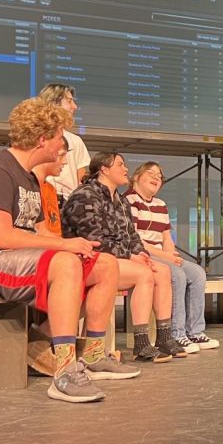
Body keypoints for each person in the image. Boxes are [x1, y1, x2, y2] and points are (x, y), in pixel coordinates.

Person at [0, 99, 136, 403]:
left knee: (104, 264)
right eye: (59, 136)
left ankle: (92, 356)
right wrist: (65, 246)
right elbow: (3, 237)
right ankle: (63, 372)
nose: (63, 145)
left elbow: (39, 232)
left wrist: (78, 247)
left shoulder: (29, 178)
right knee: (65, 262)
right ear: (43, 139)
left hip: (14, 259)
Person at [63, 151, 184, 363]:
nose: (126, 169)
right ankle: (141, 343)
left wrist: (139, 252)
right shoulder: (86, 195)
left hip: (117, 259)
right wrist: (130, 255)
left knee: (161, 271)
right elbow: (93, 240)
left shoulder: (119, 200)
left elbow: (132, 235)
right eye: (120, 164)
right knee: (143, 274)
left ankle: (164, 337)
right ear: (104, 169)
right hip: (89, 259)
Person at [126, 161, 218, 354]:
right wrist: (165, 256)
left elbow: (166, 236)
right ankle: (176, 333)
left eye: (159, 176)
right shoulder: (129, 200)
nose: (156, 178)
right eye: (150, 173)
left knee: (197, 272)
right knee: (176, 274)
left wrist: (171, 253)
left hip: (161, 254)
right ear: (136, 177)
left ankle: (195, 331)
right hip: (141, 253)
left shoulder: (161, 204)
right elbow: (135, 239)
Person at [36, 83, 90, 204]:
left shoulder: (75, 141)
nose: (74, 107)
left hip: (68, 205)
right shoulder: (35, 136)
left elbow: (81, 178)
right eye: (69, 101)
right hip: (41, 199)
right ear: (53, 102)